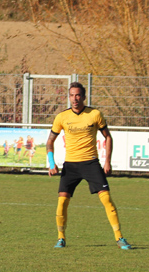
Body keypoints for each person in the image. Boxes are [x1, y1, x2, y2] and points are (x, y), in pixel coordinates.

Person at [46, 81, 131, 250]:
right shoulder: (62, 117)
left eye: (78, 95)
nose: (75, 98)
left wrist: (107, 161)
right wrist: (51, 162)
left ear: (84, 97)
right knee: (62, 201)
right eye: (72, 95)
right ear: (69, 97)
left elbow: (108, 137)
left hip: (91, 163)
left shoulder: (95, 114)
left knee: (106, 199)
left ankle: (119, 237)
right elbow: (50, 142)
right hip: (70, 165)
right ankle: (61, 238)